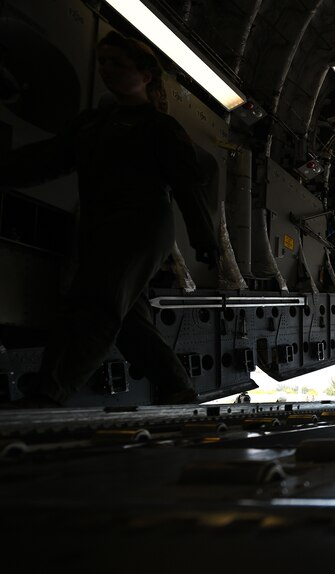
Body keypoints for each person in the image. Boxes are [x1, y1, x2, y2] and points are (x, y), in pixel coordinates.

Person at [0, 31, 218, 406]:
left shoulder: (158, 127)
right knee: (128, 317)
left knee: (96, 302)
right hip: (101, 226)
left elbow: (187, 184)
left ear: (146, 75)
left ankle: (49, 391)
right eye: (102, 61)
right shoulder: (90, 124)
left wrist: (204, 239)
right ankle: (176, 388)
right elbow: (47, 159)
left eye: (118, 63)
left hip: (142, 227)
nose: (107, 69)